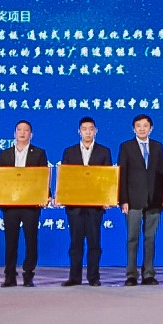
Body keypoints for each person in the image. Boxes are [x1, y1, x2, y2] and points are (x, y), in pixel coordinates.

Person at [60, 116, 113, 286]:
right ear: (79, 131)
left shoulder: (104, 151)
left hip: (95, 206)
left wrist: (107, 198)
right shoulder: (69, 152)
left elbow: (108, 179)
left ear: (95, 131)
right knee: (75, 243)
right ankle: (74, 277)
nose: (88, 132)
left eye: (91, 129)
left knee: (94, 243)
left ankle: (93, 277)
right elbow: (65, 178)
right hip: (75, 206)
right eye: (84, 129)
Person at [0, 119, 47, 288]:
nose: (22, 133)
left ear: (31, 134)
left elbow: (43, 177)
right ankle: (10, 275)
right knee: (11, 241)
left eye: (26, 130)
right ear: (14, 133)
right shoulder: (5, 154)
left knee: (31, 240)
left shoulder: (39, 153)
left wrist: (45, 196)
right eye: (19, 130)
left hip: (31, 204)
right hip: (10, 204)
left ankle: (28, 274)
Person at [117, 112, 163, 285]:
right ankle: (131, 274)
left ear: (151, 128)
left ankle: (149, 274)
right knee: (132, 238)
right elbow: (122, 175)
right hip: (132, 200)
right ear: (134, 129)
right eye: (138, 126)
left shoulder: (157, 147)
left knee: (150, 238)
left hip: (154, 200)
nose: (142, 129)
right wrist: (123, 200)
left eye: (145, 126)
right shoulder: (126, 147)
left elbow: (162, 173)